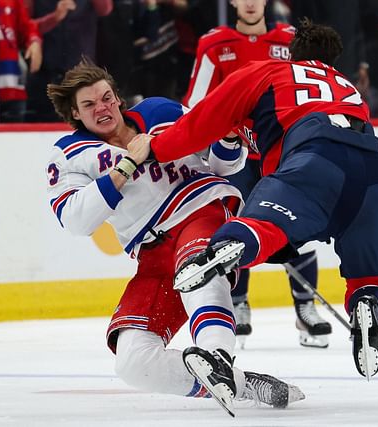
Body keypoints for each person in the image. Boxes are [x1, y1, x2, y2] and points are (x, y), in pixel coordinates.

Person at [128, 20, 378, 381]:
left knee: (265, 225)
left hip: (314, 159)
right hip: (373, 176)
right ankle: (370, 306)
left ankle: (231, 246)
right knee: (374, 275)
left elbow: (201, 123)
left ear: (291, 56)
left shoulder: (268, 71)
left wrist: (156, 147)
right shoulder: (346, 87)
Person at [45, 58, 304, 415]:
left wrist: (227, 138)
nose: (101, 108)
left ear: (118, 98)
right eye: (89, 105)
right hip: (151, 253)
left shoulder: (161, 111)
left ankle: (217, 353)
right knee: (132, 362)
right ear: (75, 113)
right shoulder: (70, 154)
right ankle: (242, 383)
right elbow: (76, 219)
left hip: (202, 211)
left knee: (198, 269)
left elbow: (223, 165)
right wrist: (125, 166)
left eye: (106, 98)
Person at [183, 0, 331, 349]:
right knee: (237, 223)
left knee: (297, 222)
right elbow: (195, 105)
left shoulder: (291, 40)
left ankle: (305, 307)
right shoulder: (214, 44)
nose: (249, 2)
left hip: (283, 152)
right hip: (235, 156)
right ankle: (238, 304)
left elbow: (310, 91)